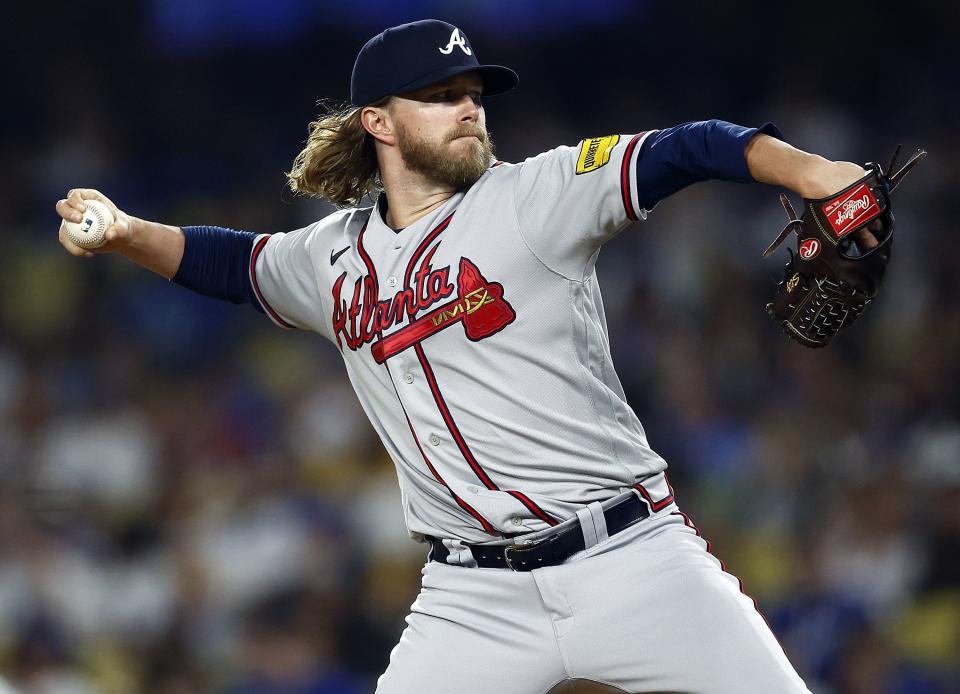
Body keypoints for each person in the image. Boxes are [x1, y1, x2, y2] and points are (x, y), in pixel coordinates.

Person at [55, 18, 869, 694]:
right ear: (379, 121)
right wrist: (126, 232)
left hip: (632, 557)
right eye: (443, 97)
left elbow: (683, 148)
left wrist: (815, 171)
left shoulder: (537, 197)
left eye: (474, 95)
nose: (469, 110)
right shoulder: (330, 259)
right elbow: (230, 263)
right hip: (472, 598)